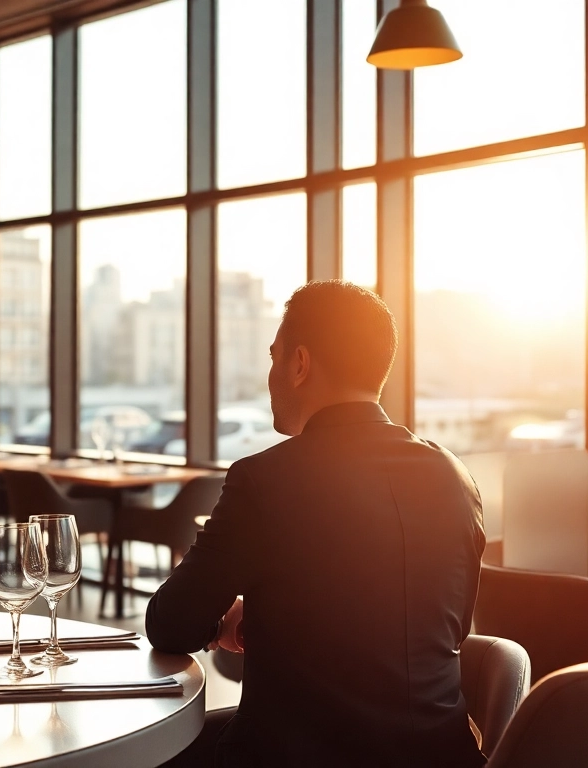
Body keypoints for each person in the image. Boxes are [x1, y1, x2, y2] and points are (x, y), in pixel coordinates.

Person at [146, 280, 486, 768]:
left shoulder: (264, 480)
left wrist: (223, 620)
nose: (271, 375)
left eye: (274, 357)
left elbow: (170, 624)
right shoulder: (456, 476)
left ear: (300, 363)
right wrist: (273, 615)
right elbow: (447, 627)